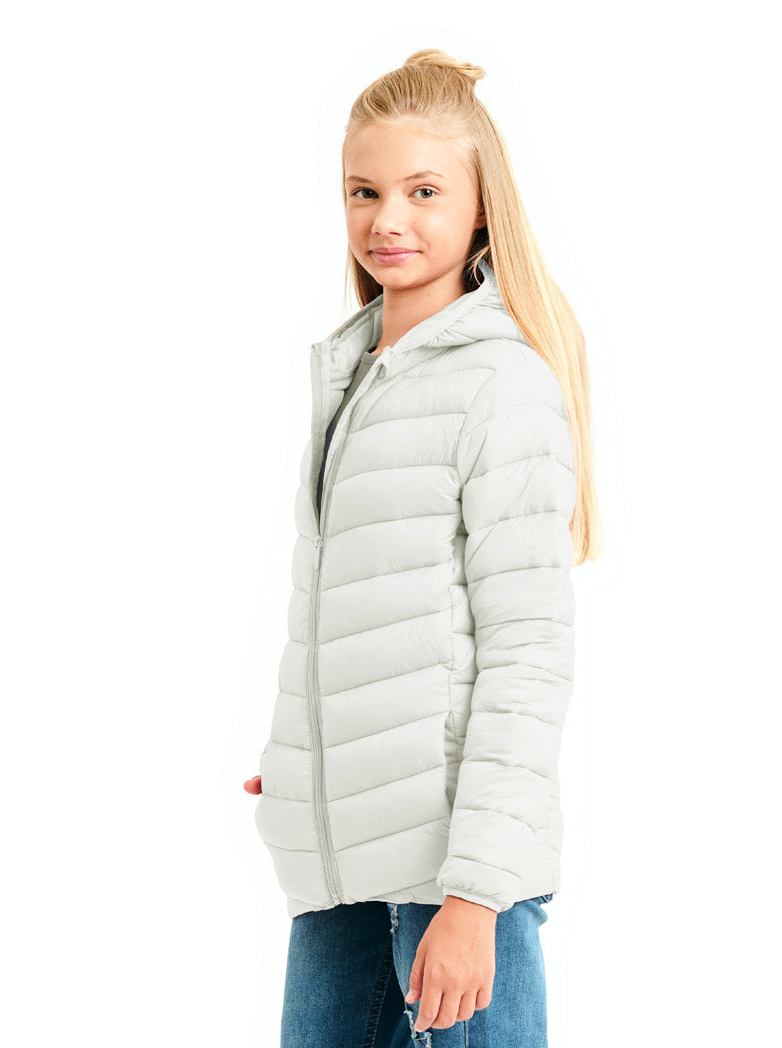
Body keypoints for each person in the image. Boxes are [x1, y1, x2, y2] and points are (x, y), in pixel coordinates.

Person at [243, 48, 601, 1047]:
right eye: (363, 190)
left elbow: (526, 652)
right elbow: (372, 608)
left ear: (482, 208)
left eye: (423, 191)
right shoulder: (358, 373)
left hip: (452, 874)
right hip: (340, 867)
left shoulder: (500, 384)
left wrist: (478, 897)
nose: (385, 219)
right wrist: (311, 751)